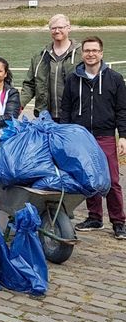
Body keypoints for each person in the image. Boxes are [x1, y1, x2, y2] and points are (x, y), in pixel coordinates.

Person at [60, 36, 126, 239]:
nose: (91, 54)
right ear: (82, 54)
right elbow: (66, 109)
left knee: (112, 180)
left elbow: (122, 110)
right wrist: (66, 134)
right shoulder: (73, 79)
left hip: (105, 135)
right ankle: (95, 217)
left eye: (94, 50)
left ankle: (119, 221)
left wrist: (123, 136)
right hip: (81, 137)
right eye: (87, 50)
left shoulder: (115, 79)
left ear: (101, 53)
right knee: (88, 178)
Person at [21, 14, 81, 120]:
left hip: (74, 116)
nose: (57, 31)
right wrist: (19, 104)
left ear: (69, 28)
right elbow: (29, 85)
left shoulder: (81, 54)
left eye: (60, 27)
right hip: (45, 117)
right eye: (53, 28)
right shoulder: (39, 56)